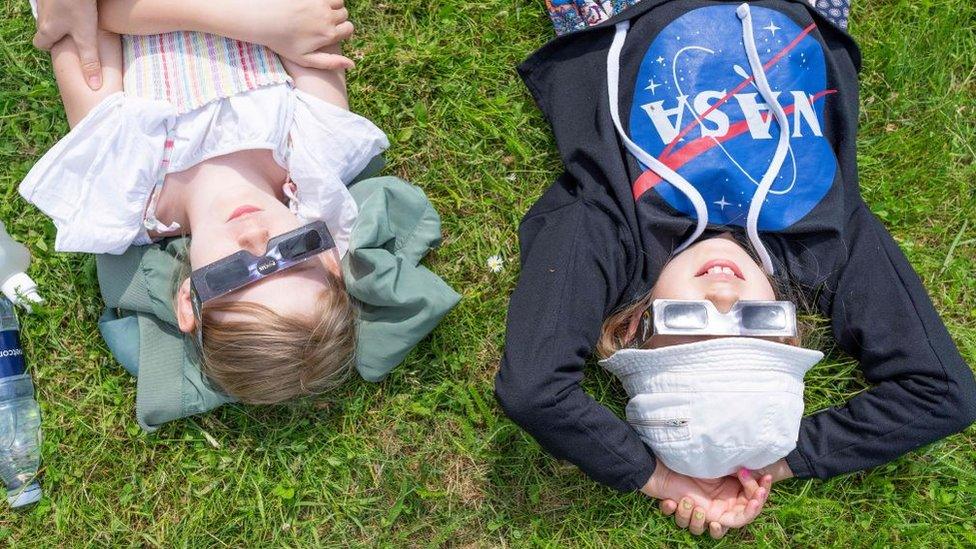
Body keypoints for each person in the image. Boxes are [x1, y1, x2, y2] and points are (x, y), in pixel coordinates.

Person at [495, 0, 976, 539]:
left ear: (635, 326)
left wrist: (656, 478)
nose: (724, 296)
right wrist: (775, 466)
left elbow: (534, 391)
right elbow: (943, 394)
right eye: (758, 323)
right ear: (792, 332)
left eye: (688, 321)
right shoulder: (824, 248)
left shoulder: (613, 233)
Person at [20, 0, 392, 404]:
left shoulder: (122, 187)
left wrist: (261, 23)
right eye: (291, 254)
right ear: (330, 257)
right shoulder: (316, 150)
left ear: (188, 301)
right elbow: (313, 16)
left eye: (233, 274)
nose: (254, 237)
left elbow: (76, 22)